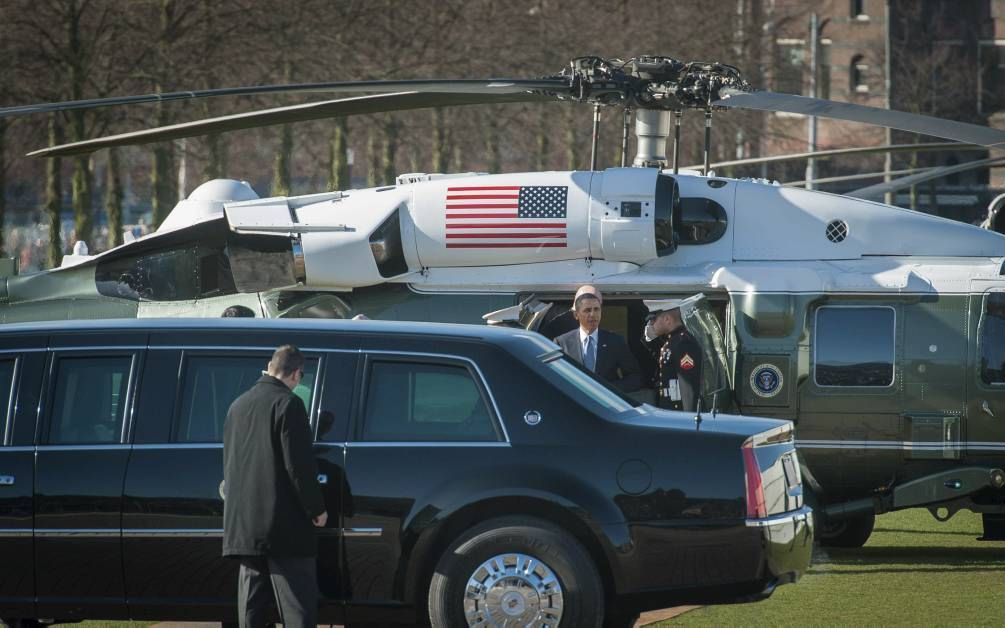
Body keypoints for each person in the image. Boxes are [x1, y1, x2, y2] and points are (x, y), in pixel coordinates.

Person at [222, 345, 327, 628]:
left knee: (251, 607)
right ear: (296, 374)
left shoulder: (237, 405)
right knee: (297, 606)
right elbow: (299, 466)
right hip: (283, 527)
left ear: (269, 366)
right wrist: (316, 509)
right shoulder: (288, 404)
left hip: (244, 525)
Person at [554, 292, 641, 392]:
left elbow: (635, 378)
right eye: (587, 310)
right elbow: (554, 378)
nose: (593, 314)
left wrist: (609, 390)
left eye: (596, 309)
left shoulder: (615, 341)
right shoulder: (562, 342)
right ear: (576, 314)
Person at [642, 300, 703, 411]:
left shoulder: (684, 343)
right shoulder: (673, 341)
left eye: (653, 319)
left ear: (667, 319)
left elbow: (688, 388)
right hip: (670, 409)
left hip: (680, 413)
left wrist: (690, 419)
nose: (650, 324)